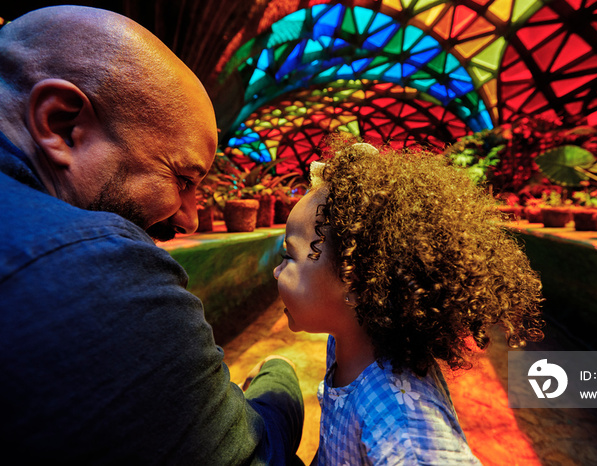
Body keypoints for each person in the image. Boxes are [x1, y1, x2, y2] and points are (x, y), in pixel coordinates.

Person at [0, 6, 303, 464]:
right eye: (182, 179)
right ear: (62, 125)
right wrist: (280, 380)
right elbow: (258, 454)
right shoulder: (98, 268)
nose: (190, 220)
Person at [273, 141, 544, 465]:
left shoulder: (402, 424)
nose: (277, 270)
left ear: (354, 280)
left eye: (289, 256)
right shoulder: (346, 342)